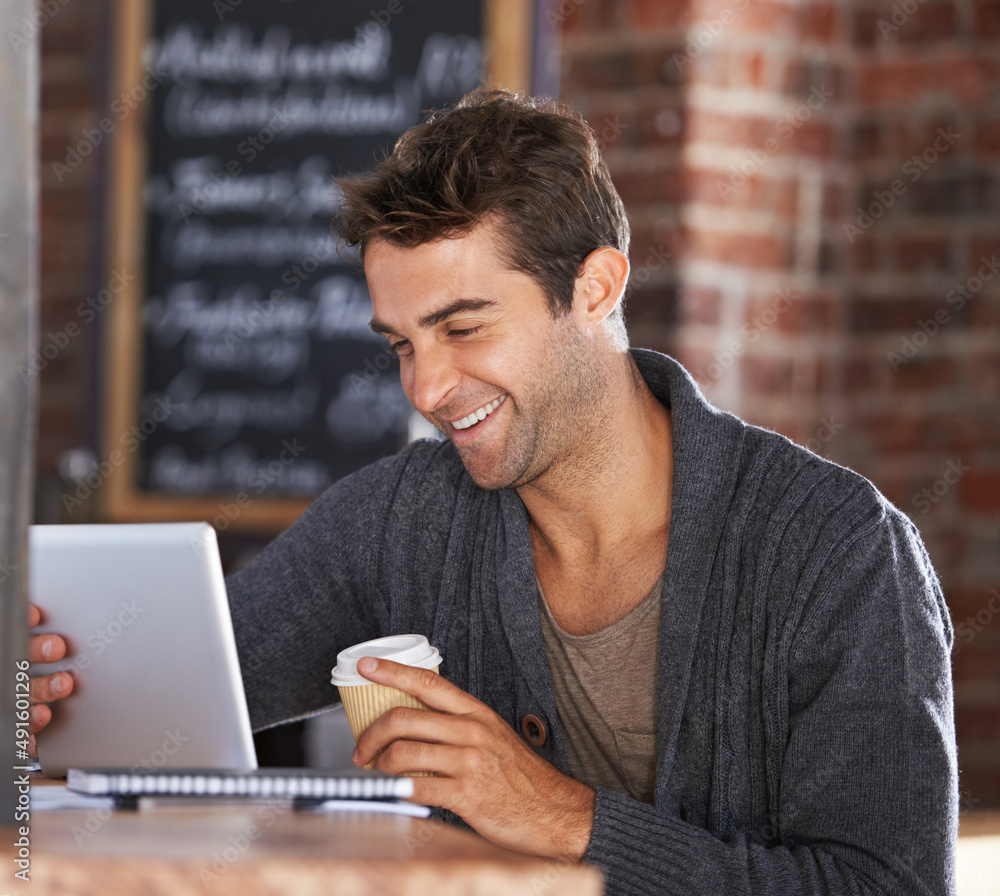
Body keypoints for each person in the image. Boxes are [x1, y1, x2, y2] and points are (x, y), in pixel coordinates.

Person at [28, 88, 957, 895]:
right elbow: (182, 694)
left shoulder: (838, 551)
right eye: (401, 344)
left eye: (464, 327)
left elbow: (888, 886)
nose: (426, 389)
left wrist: (565, 817)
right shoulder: (397, 519)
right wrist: (46, 691)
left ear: (595, 288)